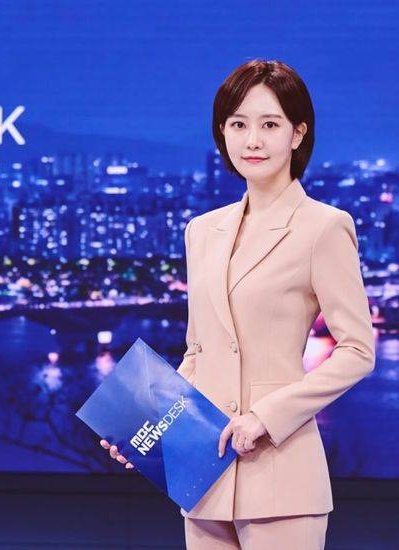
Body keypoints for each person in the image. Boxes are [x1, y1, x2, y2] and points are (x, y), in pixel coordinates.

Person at [100, 59, 375, 549]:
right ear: (222, 133)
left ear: (297, 133)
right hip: (203, 475)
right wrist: (147, 429)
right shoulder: (202, 230)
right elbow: (198, 351)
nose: (252, 141)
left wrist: (267, 416)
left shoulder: (324, 228)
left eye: (270, 125)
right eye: (238, 124)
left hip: (280, 471)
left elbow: (357, 350)